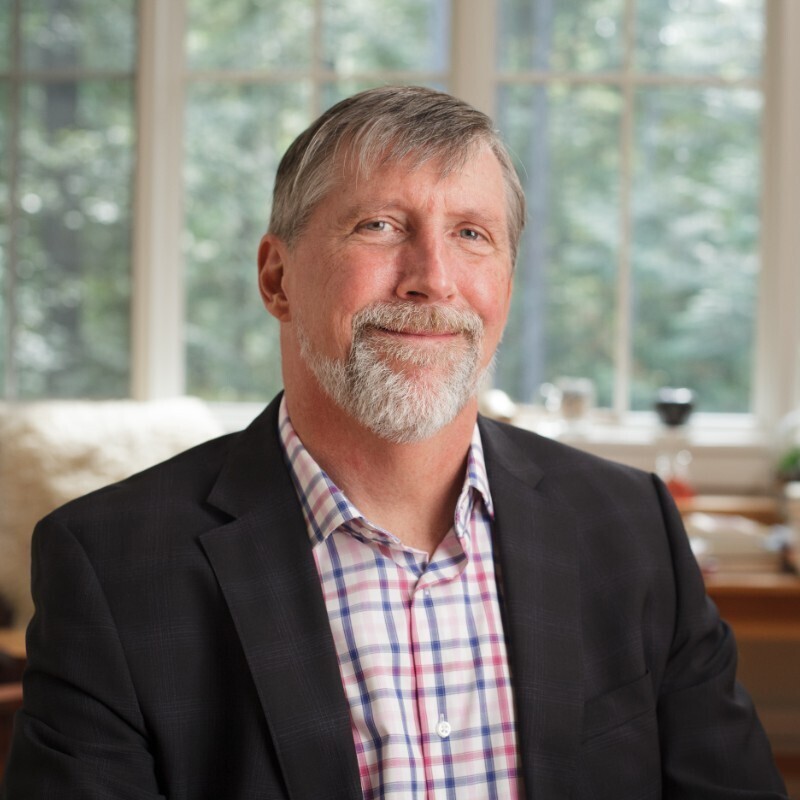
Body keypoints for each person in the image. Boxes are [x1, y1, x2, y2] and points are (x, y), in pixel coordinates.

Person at [1, 86, 787, 799]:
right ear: (277, 278)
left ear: (507, 282)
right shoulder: (110, 566)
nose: (433, 279)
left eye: (472, 234)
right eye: (380, 226)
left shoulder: (630, 527)